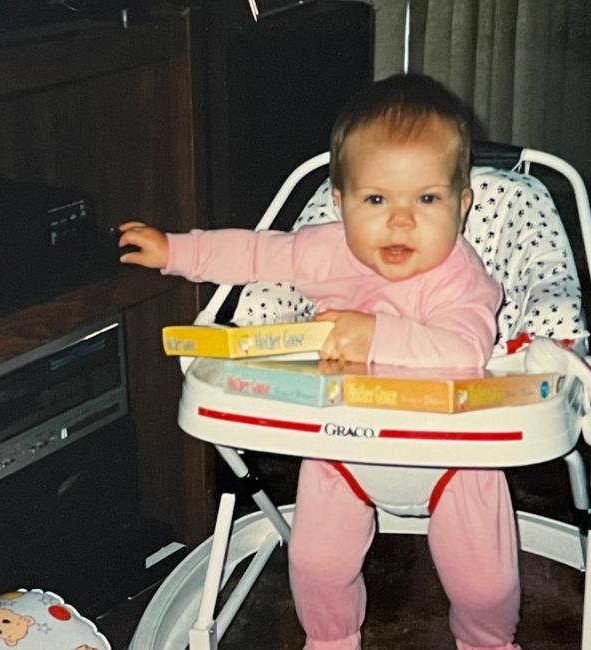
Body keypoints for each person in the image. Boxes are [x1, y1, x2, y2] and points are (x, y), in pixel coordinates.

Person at [118, 73, 521, 650]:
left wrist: (372, 335)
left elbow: (463, 349)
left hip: (452, 457)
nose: (401, 220)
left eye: (427, 199)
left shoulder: (461, 276)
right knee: (315, 568)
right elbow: (256, 253)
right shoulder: (329, 250)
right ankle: (331, 640)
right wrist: (176, 251)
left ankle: (487, 642)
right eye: (376, 199)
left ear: (463, 204)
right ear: (340, 204)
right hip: (341, 445)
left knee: (486, 585)